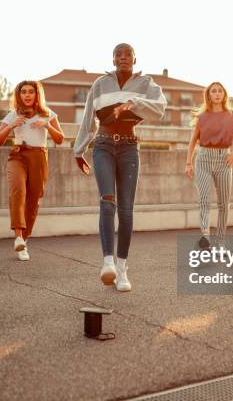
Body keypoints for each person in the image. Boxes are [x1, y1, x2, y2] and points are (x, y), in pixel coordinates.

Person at [74, 43, 167, 291]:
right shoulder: (100, 84)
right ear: (113, 60)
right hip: (103, 145)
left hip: (129, 147)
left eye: (128, 55)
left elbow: (160, 109)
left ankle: (122, 268)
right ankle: (107, 263)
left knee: (125, 210)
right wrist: (78, 150)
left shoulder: (146, 84)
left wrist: (133, 103)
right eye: (118, 55)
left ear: (135, 60)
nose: (123, 58)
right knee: (107, 201)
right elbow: (87, 118)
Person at [0, 80, 64, 261]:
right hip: (18, 155)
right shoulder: (13, 115)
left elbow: (60, 138)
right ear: (19, 95)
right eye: (23, 92)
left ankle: (24, 241)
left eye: (30, 91)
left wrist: (47, 125)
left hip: (39, 157)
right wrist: (11, 126)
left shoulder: (48, 114)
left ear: (36, 94)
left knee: (33, 201)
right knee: (18, 190)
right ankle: (17, 236)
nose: (27, 95)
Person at [185, 82, 233, 249]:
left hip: (224, 160)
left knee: (223, 204)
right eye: (214, 91)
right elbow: (192, 142)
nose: (217, 94)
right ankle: (205, 235)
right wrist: (189, 163)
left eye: (220, 91)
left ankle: (220, 242)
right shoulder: (202, 117)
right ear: (209, 95)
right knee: (204, 200)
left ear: (224, 94)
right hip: (203, 159)